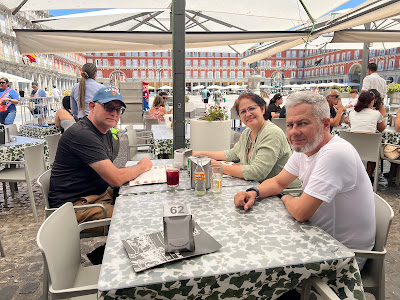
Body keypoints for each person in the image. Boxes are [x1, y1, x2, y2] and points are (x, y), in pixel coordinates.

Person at [233, 91, 375, 271]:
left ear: (325, 124)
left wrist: (284, 197)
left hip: (341, 258)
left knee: (253, 263)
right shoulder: (306, 148)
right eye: (290, 124)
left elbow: (301, 212)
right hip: (315, 239)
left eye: (303, 123)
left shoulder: (335, 153)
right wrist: (253, 192)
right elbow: (278, 182)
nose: (294, 131)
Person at [48, 87, 153, 223]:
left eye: (118, 110)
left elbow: (112, 173)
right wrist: (142, 166)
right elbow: (115, 178)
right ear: (92, 106)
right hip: (74, 208)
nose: (114, 113)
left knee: (142, 199)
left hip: (95, 196)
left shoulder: (105, 131)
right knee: (135, 215)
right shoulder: (82, 134)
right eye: (108, 107)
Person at [192, 92, 301, 187]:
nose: (248, 114)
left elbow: (257, 172)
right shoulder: (248, 132)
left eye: (252, 108)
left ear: (262, 109)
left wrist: (217, 166)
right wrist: (201, 154)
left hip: (282, 195)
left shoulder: (272, 133)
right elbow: (233, 154)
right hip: (261, 190)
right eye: (243, 111)